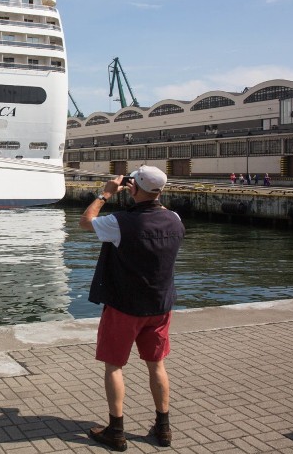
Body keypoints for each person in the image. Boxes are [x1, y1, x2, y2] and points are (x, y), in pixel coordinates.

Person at [80, 166, 186, 451]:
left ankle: (116, 431)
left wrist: (106, 193)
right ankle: (163, 429)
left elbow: (86, 221)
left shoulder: (119, 222)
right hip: (160, 306)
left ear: (134, 188)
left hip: (124, 307)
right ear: (160, 191)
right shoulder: (175, 219)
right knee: (157, 364)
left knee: (114, 365)